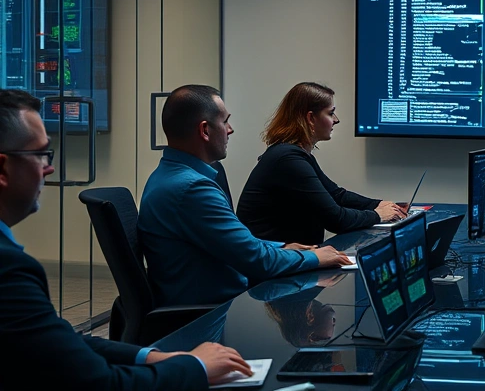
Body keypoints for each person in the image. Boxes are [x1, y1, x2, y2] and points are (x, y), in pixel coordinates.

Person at [0, 89, 253, 389]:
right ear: (3, 168)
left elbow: (57, 338)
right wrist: (194, 366)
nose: (49, 168)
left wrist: (149, 356)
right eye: (42, 154)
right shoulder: (9, 269)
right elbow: (102, 384)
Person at [139, 85, 349, 307]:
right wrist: (316, 257)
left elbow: (239, 246)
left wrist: (281, 247)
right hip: (214, 314)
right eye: (225, 121)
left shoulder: (171, 176)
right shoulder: (192, 190)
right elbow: (258, 261)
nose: (230, 130)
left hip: (220, 300)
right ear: (205, 130)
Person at [237, 82, 404, 245]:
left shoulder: (293, 154)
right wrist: (378, 215)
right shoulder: (288, 160)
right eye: (330, 113)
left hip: (291, 257)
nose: (336, 120)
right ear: (310, 118)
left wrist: (378, 204)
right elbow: (336, 219)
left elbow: (337, 195)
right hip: (275, 263)